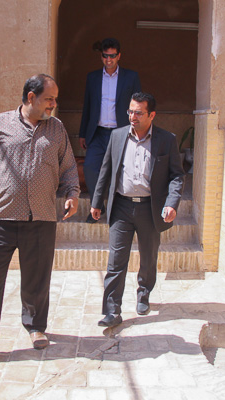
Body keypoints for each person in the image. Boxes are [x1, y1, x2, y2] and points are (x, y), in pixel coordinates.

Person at [0, 74, 80, 362]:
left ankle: (36, 327)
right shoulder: (0, 124)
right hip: (0, 218)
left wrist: (72, 194)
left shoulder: (57, 129)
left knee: (37, 280)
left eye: (55, 99)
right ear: (30, 97)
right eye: (49, 99)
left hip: (41, 219)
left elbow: (68, 167)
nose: (53, 104)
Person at [90, 92, 184, 328]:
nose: (133, 116)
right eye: (130, 111)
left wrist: (171, 203)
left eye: (139, 113)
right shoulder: (117, 136)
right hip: (121, 207)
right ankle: (112, 310)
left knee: (148, 257)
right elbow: (106, 170)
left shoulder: (166, 140)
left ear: (152, 115)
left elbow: (177, 175)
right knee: (115, 261)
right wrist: (97, 201)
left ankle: (144, 292)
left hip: (150, 209)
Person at [79, 38, 141, 223]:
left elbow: (138, 106)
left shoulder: (130, 77)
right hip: (97, 132)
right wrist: (83, 133)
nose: (109, 60)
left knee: (122, 171)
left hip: (120, 132)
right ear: (101, 56)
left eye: (112, 56)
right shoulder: (93, 77)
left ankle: (120, 211)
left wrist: (138, 131)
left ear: (119, 56)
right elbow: (87, 106)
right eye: (105, 56)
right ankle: (98, 206)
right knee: (90, 168)